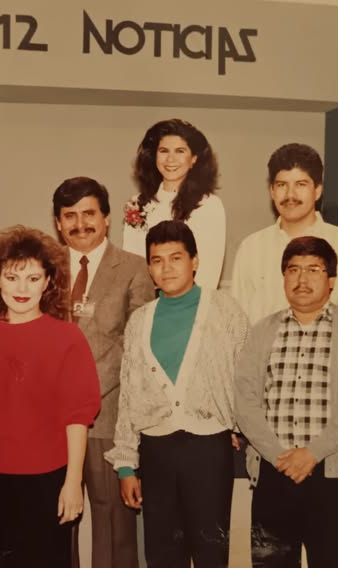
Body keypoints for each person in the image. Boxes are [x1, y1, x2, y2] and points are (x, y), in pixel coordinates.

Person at [0, 225, 101, 568]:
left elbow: (78, 417)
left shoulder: (68, 338)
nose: (22, 289)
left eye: (32, 278)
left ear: (48, 281)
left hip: (47, 480)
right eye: (12, 278)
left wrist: (73, 482)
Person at [106, 220, 248, 568]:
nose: (166, 268)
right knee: (163, 553)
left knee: (211, 551)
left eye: (176, 258)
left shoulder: (225, 310)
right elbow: (129, 395)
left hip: (209, 448)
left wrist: (238, 426)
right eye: (157, 260)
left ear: (195, 261)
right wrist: (126, 466)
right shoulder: (140, 321)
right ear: (149, 267)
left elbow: (246, 378)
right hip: (156, 450)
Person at [53, 177, 155, 568]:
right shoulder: (43, 269)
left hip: (108, 416)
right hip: (50, 419)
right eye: (70, 216)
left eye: (89, 214)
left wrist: (84, 392)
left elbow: (136, 342)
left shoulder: (134, 269)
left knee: (113, 524)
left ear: (107, 218)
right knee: (54, 522)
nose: (80, 224)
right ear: (58, 222)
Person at [235, 236, 338, 567]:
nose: (302, 279)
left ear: (331, 280)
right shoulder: (262, 331)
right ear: (283, 276)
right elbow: (244, 398)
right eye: (293, 269)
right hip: (274, 471)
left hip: (335, 474)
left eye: (313, 269)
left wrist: (312, 452)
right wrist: (279, 456)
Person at [232, 142, 338, 324]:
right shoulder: (251, 248)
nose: (290, 195)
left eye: (300, 184)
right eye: (282, 185)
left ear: (318, 190)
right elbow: (238, 323)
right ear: (272, 191)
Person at [123, 118, 226, 289]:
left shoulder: (209, 205)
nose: (170, 159)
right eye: (164, 151)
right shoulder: (137, 204)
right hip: (146, 299)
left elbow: (208, 273)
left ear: (194, 158)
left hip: (190, 300)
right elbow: (132, 266)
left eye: (180, 151)